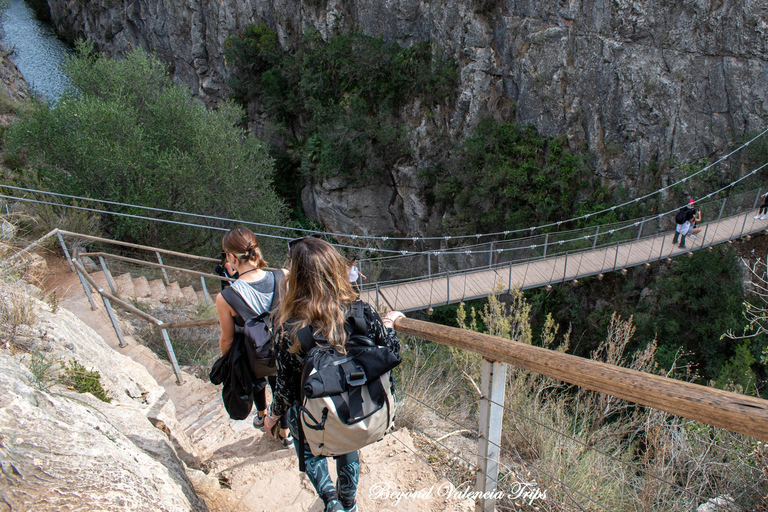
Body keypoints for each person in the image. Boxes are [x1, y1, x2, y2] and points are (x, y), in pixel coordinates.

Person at [265, 236, 403, 512]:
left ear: (297, 279)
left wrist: (272, 415)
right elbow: (391, 351)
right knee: (344, 437)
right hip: (354, 404)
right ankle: (349, 502)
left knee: (306, 434)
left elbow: (287, 387)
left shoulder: (288, 328)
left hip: (314, 413)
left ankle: (331, 501)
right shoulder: (361, 312)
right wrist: (388, 323)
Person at [215, 227, 292, 446]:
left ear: (230, 257)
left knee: (255, 373)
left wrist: (229, 362)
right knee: (280, 386)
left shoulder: (226, 297)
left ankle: (261, 414)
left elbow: (227, 339)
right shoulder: (283, 276)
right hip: (283, 350)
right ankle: (285, 433)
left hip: (254, 356)